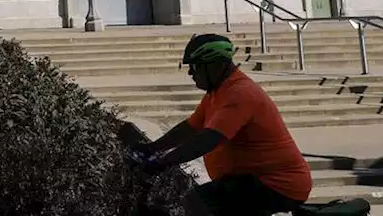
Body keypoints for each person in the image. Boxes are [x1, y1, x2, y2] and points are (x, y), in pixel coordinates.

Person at [132, 34, 312, 216]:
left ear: (216, 65)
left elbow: (208, 139)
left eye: (195, 66)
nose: (190, 73)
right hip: (249, 180)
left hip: (278, 184)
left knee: (199, 201)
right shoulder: (217, 93)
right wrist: (151, 148)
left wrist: (164, 162)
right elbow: (189, 128)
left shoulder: (240, 93)